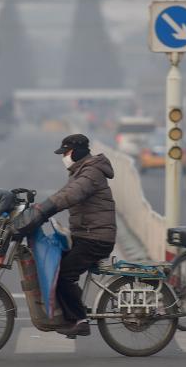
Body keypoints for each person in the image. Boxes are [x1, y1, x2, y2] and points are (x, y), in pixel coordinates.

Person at [10, 134, 116, 338]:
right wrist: (37, 209)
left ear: (77, 151)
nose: (64, 157)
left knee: (64, 275)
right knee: (58, 268)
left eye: (66, 153)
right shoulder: (80, 171)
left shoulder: (91, 173)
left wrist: (43, 211)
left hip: (96, 238)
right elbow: (62, 194)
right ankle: (71, 314)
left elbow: (70, 195)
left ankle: (80, 320)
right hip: (86, 235)